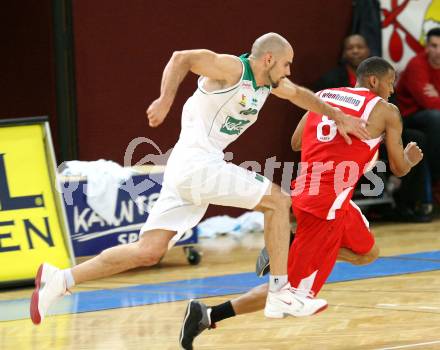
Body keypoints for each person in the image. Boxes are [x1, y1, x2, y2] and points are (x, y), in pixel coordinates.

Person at [29, 33, 368, 325]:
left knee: (149, 251)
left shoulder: (269, 84)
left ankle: (61, 279)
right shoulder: (233, 69)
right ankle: (280, 292)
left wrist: (338, 116)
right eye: (286, 64)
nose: (289, 70)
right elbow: (182, 58)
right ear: (268, 59)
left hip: (187, 169)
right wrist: (165, 100)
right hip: (196, 164)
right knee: (277, 201)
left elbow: (300, 95)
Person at [179, 57, 423, 349]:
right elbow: (397, 168)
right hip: (326, 209)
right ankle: (206, 314)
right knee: (289, 291)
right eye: (390, 81)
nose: (393, 89)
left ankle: (289, 246)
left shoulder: (324, 97)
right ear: (374, 81)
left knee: (368, 253)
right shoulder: (387, 111)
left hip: (319, 194)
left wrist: (341, 148)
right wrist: (410, 157)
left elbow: (297, 142)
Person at [396, 27, 440, 204]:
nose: (438, 51)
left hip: (431, 115)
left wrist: (437, 93)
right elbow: (428, 103)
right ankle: (436, 171)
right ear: (426, 47)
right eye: (434, 46)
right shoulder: (417, 65)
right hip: (410, 117)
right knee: (435, 118)